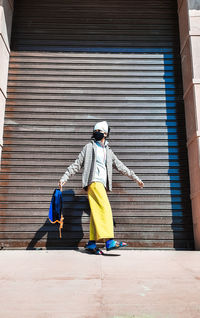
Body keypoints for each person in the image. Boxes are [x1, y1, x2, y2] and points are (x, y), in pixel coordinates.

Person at [59, 121, 144, 255]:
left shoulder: (108, 151)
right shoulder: (88, 147)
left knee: (95, 214)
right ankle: (110, 241)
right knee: (105, 208)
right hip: (93, 182)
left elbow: (120, 166)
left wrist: (135, 178)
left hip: (102, 185)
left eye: (100, 131)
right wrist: (64, 177)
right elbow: (77, 164)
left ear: (106, 134)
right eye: (95, 130)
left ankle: (92, 243)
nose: (97, 132)